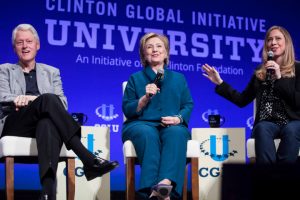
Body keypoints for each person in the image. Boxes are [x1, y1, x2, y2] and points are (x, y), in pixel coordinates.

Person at [0, 24, 119, 200]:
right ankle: (87, 158)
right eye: (20, 42)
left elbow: (62, 103)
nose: (25, 46)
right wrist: (21, 99)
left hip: (42, 122)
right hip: (16, 122)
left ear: (37, 45)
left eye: (29, 41)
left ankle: (48, 193)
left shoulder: (51, 72)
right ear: (14, 47)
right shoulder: (4, 69)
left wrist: (33, 99)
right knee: (48, 99)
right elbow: (2, 96)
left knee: (47, 123)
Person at [202, 25, 300, 164]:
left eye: (278, 38)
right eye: (269, 39)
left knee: (291, 130)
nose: (273, 42)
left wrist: (279, 79)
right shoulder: (261, 72)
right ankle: (267, 177)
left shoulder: (298, 69)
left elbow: (297, 102)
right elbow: (242, 100)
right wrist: (220, 82)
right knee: (261, 128)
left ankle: (283, 177)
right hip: (268, 123)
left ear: (287, 43)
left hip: (293, 121)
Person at [122, 32, 194, 200]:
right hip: (140, 124)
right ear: (144, 55)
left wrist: (179, 118)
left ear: (166, 52)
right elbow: (127, 108)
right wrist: (144, 98)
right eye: (149, 47)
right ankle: (152, 191)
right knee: (148, 134)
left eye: (159, 46)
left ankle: (162, 187)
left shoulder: (179, 78)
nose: (155, 49)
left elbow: (188, 104)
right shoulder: (135, 78)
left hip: (170, 124)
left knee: (177, 133)